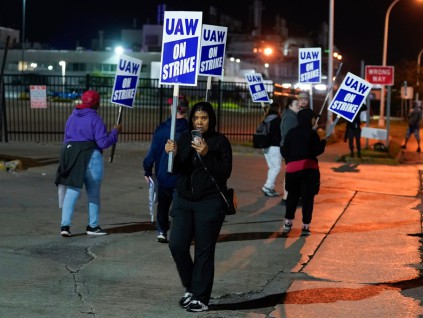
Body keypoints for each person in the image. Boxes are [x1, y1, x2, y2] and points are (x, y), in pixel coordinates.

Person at [164, 101, 232, 312]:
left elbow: (224, 172)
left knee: (204, 250)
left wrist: (207, 154)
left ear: (211, 119)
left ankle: (201, 298)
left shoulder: (220, 141)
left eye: (204, 118)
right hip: (184, 201)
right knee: (176, 245)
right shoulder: (185, 137)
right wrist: (171, 153)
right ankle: (192, 287)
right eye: (196, 118)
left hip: (209, 203)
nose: (200, 122)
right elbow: (176, 170)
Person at [55, 90, 122, 237]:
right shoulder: (95, 119)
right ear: (96, 103)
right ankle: (93, 226)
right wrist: (114, 132)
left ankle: (65, 226)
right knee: (93, 193)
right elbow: (103, 143)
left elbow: (66, 139)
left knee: (72, 191)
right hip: (91, 156)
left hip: (73, 156)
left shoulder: (72, 117)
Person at [143, 96, 189, 243]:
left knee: (163, 205)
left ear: (172, 108)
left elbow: (152, 152)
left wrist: (147, 169)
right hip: (182, 175)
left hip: (163, 174)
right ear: (186, 110)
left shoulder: (162, 129)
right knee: (179, 207)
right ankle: (178, 232)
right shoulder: (189, 131)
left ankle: (162, 231)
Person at [281, 108, 326, 236]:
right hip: (309, 170)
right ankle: (306, 225)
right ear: (308, 119)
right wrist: (323, 143)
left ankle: (288, 222)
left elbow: (284, 151)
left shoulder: (291, 133)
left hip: (293, 169)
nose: (314, 120)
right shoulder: (312, 134)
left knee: (292, 196)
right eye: (312, 118)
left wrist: (290, 160)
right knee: (308, 198)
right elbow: (317, 151)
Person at [280, 96, 300, 204]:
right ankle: (286, 197)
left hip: (288, 148)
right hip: (290, 148)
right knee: (290, 173)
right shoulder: (290, 117)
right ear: (290, 105)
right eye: (296, 105)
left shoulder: (290, 115)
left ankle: (287, 197)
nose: (298, 106)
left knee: (290, 172)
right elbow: (288, 134)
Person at [261, 102, 282, 197]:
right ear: (278, 109)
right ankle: (267, 187)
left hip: (265, 146)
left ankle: (270, 188)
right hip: (274, 146)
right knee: (276, 168)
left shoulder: (266, 118)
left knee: (272, 168)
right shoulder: (277, 119)